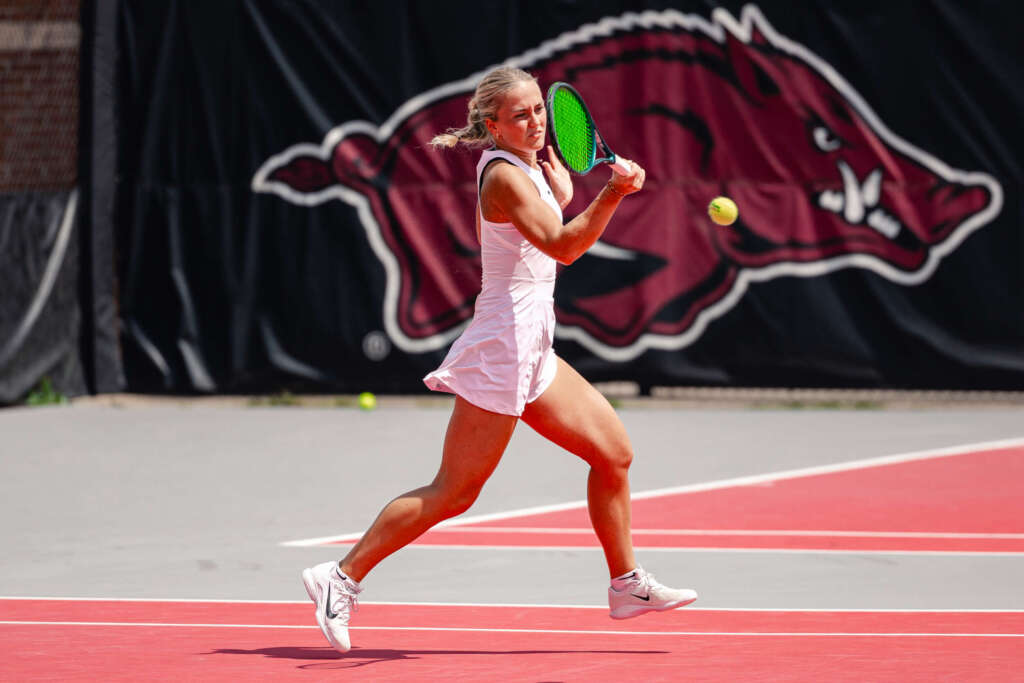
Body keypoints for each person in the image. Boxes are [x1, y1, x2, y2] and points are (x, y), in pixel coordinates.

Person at [302, 66, 697, 654]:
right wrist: (613, 192)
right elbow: (563, 246)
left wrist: (565, 194)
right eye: (520, 115)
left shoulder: (530, 167)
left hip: (534, 343)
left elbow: (548, 221)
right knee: (455, 491)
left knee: (613, 454)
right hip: (503, 347)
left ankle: (626, 584)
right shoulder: (506, 176)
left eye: (539, 110)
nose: (536, 123)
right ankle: (339, 577)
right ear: (493, 125)